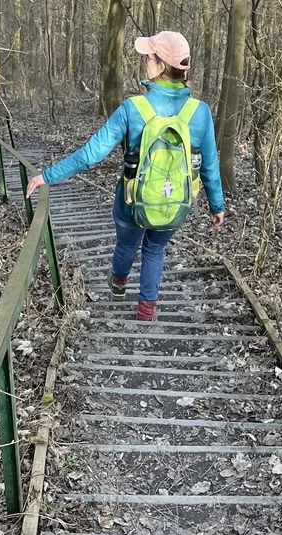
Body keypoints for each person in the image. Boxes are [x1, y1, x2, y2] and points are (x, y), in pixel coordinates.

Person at [26, 31, 225, 321]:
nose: (144, 61)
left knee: (126, 244)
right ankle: (146, 309)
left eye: (148, 57)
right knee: (155, 249)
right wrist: (216, 206)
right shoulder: (201, 112)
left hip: (132, 202)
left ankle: (118, 281)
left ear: (159, 66)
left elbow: (91, 155)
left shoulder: (133, 109)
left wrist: (47, 175)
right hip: (175, 203)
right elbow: (209, 166)